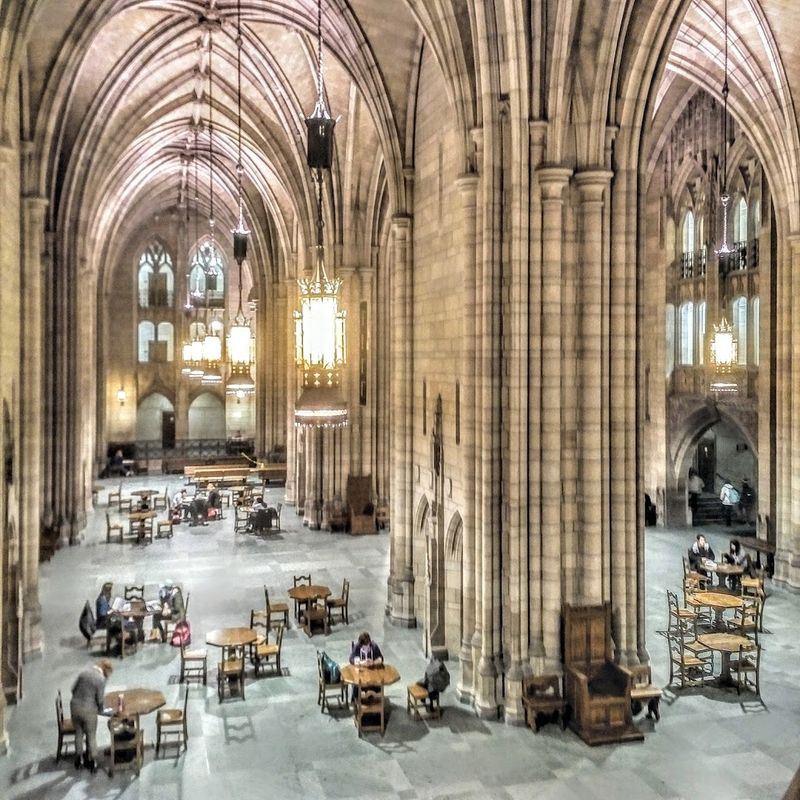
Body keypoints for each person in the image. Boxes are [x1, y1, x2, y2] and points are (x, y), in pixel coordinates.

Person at [70, 658, 113, 772]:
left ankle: (79, 759)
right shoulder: (100, 679)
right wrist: (102, 709)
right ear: (106, 670)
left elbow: (73, 690)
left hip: (75, 707)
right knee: (91, 735)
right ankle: (93, 761)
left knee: (78, 733)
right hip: (89, 710)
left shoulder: (83, 673)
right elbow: (100, 700)